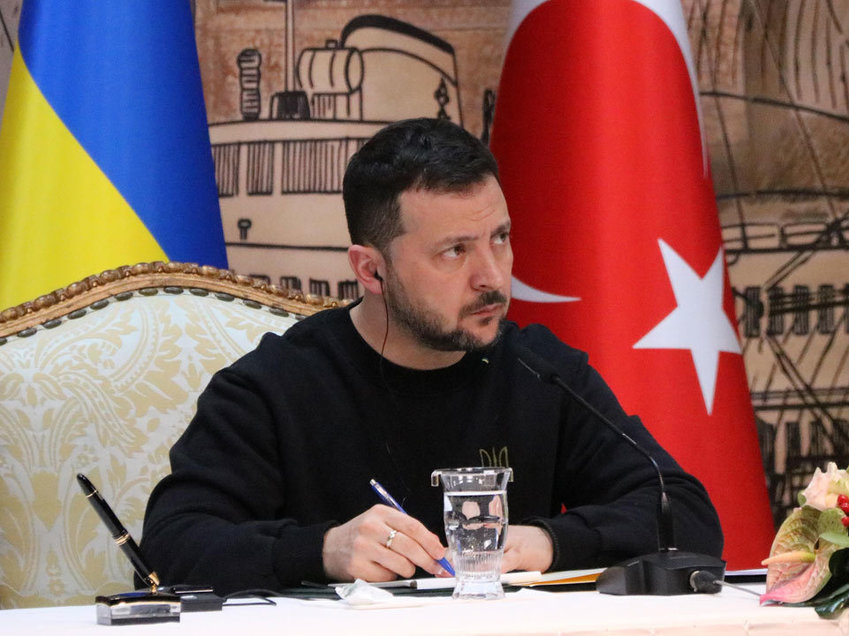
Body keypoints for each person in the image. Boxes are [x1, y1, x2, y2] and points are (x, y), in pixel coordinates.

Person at [140, 118, 723, 595]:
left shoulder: (541, 370)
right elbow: (171, 545)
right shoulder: (275, 386)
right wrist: (321, 550)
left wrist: (549, 541)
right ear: (371, 270)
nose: (492, 277)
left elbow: (686, 512)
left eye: (500, 238)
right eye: (454, 252)